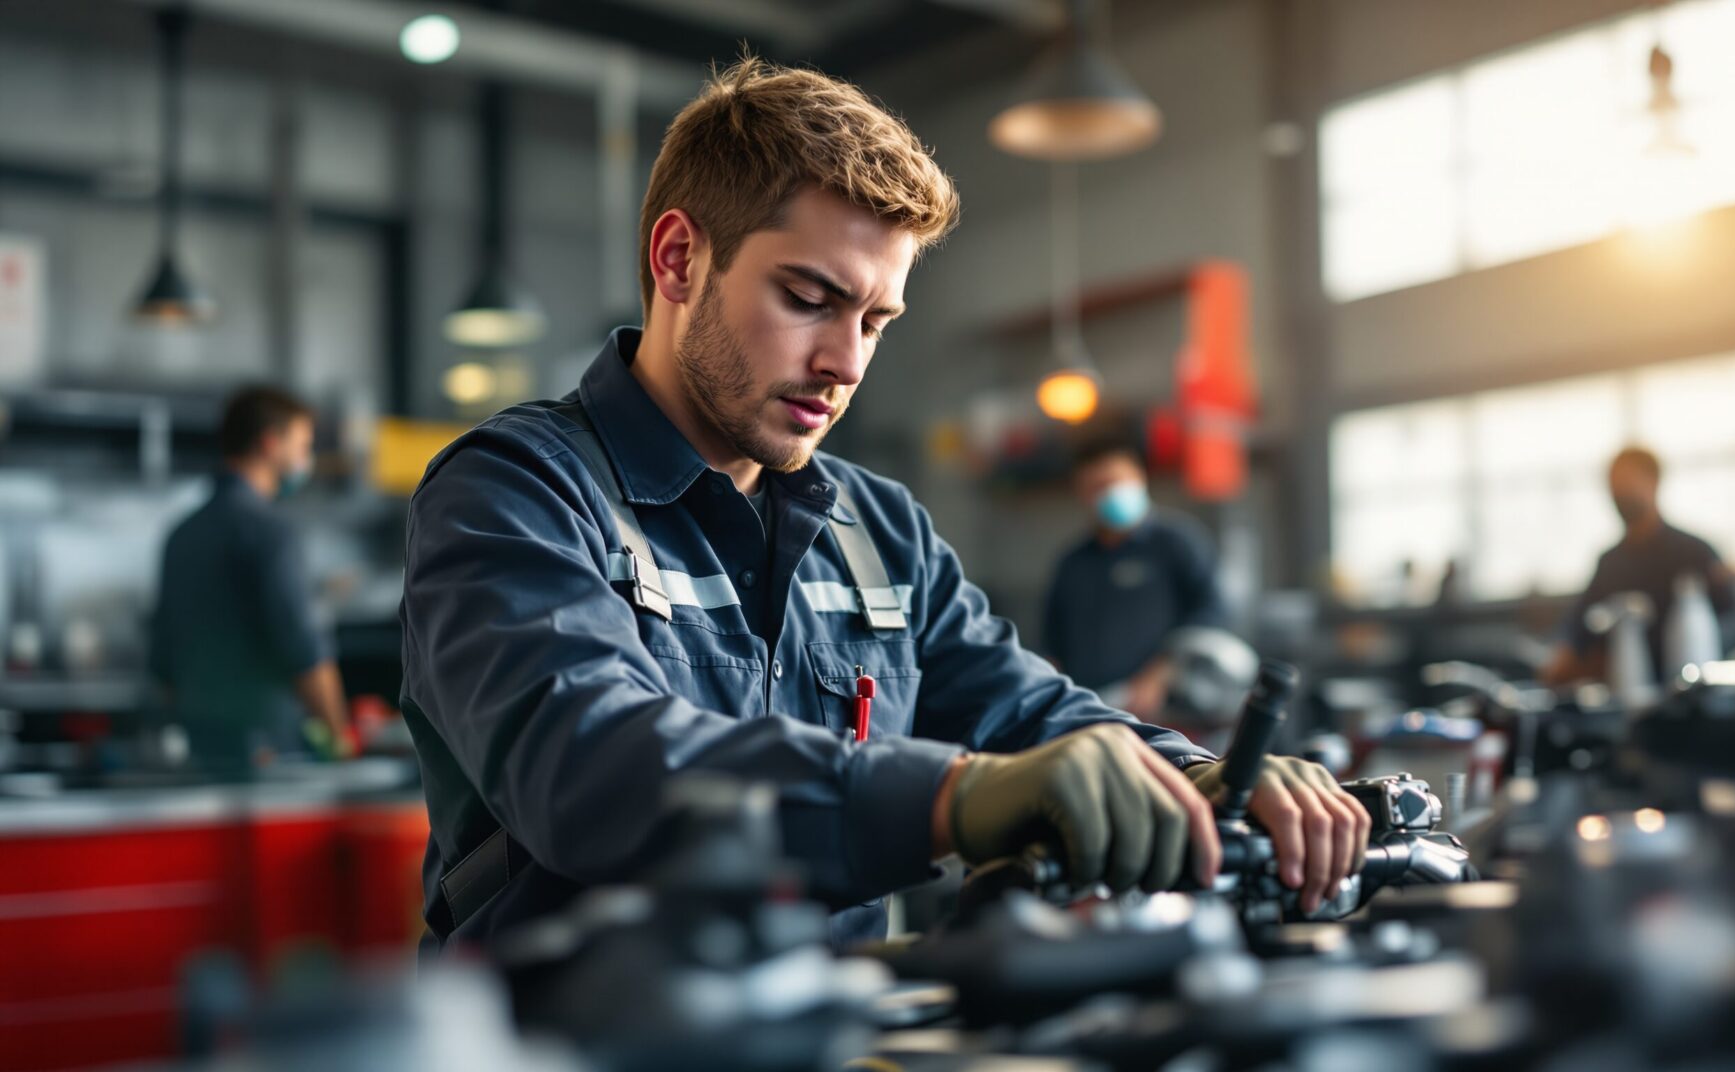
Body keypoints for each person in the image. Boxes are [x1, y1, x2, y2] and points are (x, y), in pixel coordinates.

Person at [399, 58, 1367, 953]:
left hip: (832, 1028)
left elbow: (1023, 707)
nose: (847, 363)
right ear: (680, 258)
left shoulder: (878, 533)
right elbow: (593, 765)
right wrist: (955, 795)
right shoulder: (514, 493)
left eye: (875, 321)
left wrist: (1189, 773)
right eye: (811, 298)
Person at [151, 386, 351, 774]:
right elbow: (304, 650)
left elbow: (163, 663)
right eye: (302, 444)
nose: (306, 459)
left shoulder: (181, 534)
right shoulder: (270, 531)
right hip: (269, 753)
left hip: (199, 750)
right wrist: (339, 737)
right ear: (271, 443)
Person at [1042, 436, 1227, 717]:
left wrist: (1161, 675)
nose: (1110, 492)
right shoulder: (1073, 562)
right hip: (1091, 710)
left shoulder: (1176, 542)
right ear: (1082, 494)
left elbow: (1211, 612)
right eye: (1098, 487)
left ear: (1139, 478)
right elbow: (1052, 638)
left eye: (1117, 481)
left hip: (1166, 711)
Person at [1540, 446, 1735, 687]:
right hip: (1624, 687)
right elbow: (1578, 622)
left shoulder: (1695, 553)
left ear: (1654, 482)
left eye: (1627, 483)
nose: (1619, 493)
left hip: (1688, 687)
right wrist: (1565, 652)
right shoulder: (1610, 562)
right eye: (1613, 486)